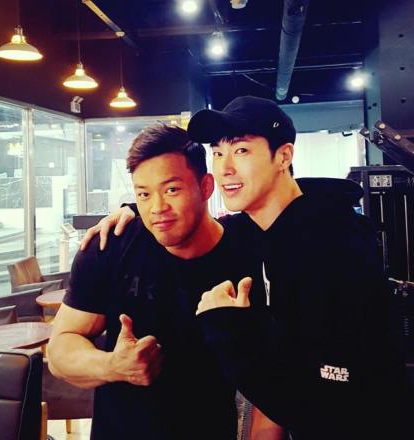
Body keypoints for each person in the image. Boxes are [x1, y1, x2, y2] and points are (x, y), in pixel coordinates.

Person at [85, 96, 412, 439]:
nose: (225, 168)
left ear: (283, 156)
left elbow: (329, 406)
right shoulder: (264, 231)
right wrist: (140, 210)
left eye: (241, 150)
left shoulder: (332, 248)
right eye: (217, 153)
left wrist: (226, 327)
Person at [48, 123, 284, 440]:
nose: (157, 208)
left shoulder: (249, 257)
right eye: (143, 194)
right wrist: (113, 365)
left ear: (206, 187)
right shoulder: (111, 246)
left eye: (172, 190)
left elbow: (272, 379)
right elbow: (60, 350)